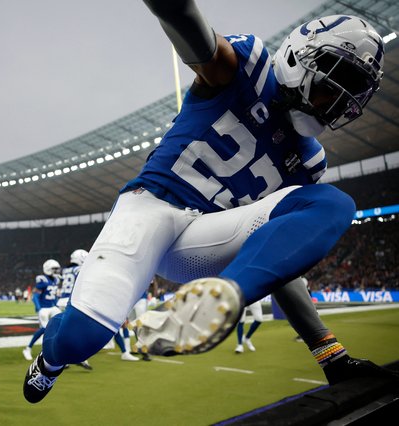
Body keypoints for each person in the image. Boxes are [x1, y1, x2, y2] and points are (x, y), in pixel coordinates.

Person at [23, 1, 392, 404]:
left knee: (332, 204)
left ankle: (220, 300)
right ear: (298, 56)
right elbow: (187, 25)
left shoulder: (308, 160)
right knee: (80, 339)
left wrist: (330, 356)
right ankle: (48, 362)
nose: (335, 103)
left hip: (207, 241)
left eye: (348, 97)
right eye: (330, 84)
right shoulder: (248, 67)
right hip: (151, 209)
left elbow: (282, 256)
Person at [58, 249, 93, 370]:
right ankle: (78, 358)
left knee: (65, 332)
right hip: (72, 302)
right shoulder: (78, 269)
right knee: (80, 331)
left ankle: (64, 359)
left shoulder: (66, 270)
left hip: (61, 301)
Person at [22, 259, 61, 362]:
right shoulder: (42, 280)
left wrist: (56, 304)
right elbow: (35, 296)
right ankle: (27, 348)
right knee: (44, 328)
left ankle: (55, 351)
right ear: (48, 269)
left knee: (60, 325)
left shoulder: (55, 280)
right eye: (54, 269)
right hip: (44, 308)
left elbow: (53, 296)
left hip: (52, 307)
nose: (56, 271)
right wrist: (39, 308)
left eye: (57, 269)